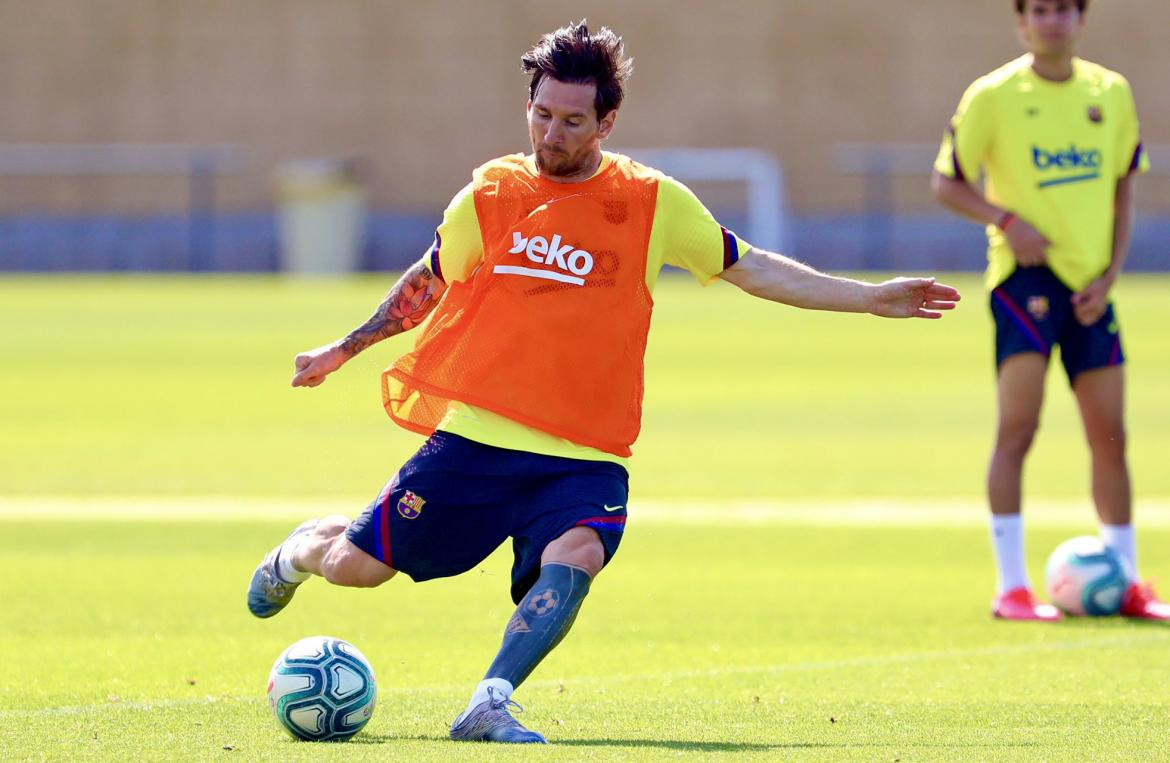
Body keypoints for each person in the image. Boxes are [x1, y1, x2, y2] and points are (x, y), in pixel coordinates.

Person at [248, 21, 961, 744]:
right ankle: (299, 550)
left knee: (580, 551)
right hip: (478, 438)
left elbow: (754, 267)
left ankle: (487, 702)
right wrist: (346, 346)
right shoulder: (492, 193)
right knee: (356, 567)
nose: (551, 135)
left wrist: (868, 296)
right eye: (541, 114)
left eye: (572, 121)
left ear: (607, 121)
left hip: (586, 448)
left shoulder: (651, 202)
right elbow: (428, 281)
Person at [932, 0, 1165, 622]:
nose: (1053, 20)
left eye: (1064, 9)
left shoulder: (1110, 93)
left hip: (1092, 289)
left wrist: (1110, 276)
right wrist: (1006, 219)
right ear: (1022, 21)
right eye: (1040, 10)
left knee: (1111, 437)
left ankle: (1130, 580)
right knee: (1019, 429)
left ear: (1081, 19)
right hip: (1024, 282)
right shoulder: (994, 94)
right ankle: (1011, 587)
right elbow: (947, 181)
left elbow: (1123, 188)